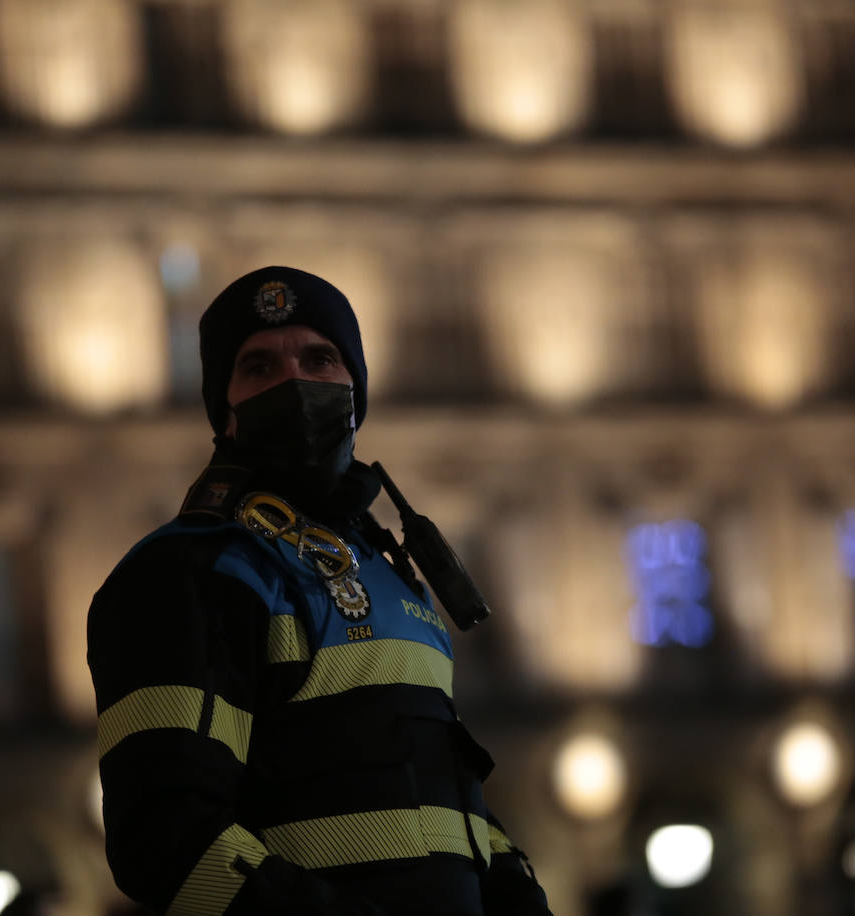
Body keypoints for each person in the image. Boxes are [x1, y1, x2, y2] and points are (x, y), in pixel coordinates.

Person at [87, 266, 551, 916]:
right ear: (225, 413)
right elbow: (168, 839)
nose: (294, 383)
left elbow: (444, 803)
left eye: (318, 358)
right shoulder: (186, 572)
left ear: (356, 389)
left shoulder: (388, 570)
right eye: (258, 367)